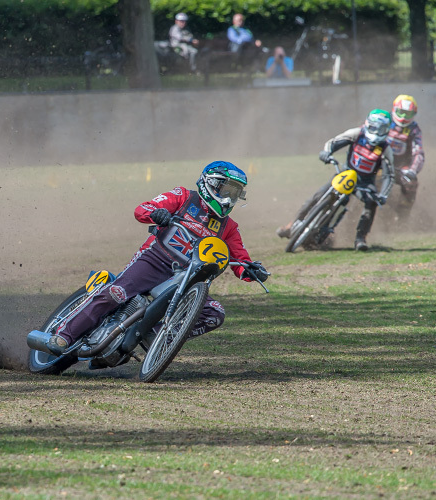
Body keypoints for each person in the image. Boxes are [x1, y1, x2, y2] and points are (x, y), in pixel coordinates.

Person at [46, 161, 269, 355]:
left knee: (214, 314)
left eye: (235, 193)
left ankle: (155, 336)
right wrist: (156, 213)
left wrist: (251, 271)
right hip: (154, 260)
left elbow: (240, 260)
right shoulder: (183, 196)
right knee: (116, 293)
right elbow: (142, 209)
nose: (230, 198)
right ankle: (65, 334)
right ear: (210, 184)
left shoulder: (229, 227)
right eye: (227, 190)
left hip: (187, 278)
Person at [277, 109, 394, 251]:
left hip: (365, 183)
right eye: (374, 127)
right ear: (368, 124)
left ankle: (360, 238)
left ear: (386, 130)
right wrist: (326, 153)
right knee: (317, 195)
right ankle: (291, 226)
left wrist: (383, 195)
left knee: (371, 203)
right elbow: (333, 143)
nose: (376, 132)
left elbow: (389, 175)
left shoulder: (386, 149)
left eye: (380, 129)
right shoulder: (357, 134)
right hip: (346, 174)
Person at [386, 94, 424, 220]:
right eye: (401, 112)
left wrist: (412, 171)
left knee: (411, 184)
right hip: (377, 163)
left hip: (400, 168)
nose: (403, 117)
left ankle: (402, 217)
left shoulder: (414, 129)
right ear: (394, 109)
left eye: (407, 114)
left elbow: (418, 152)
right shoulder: (383, 119)